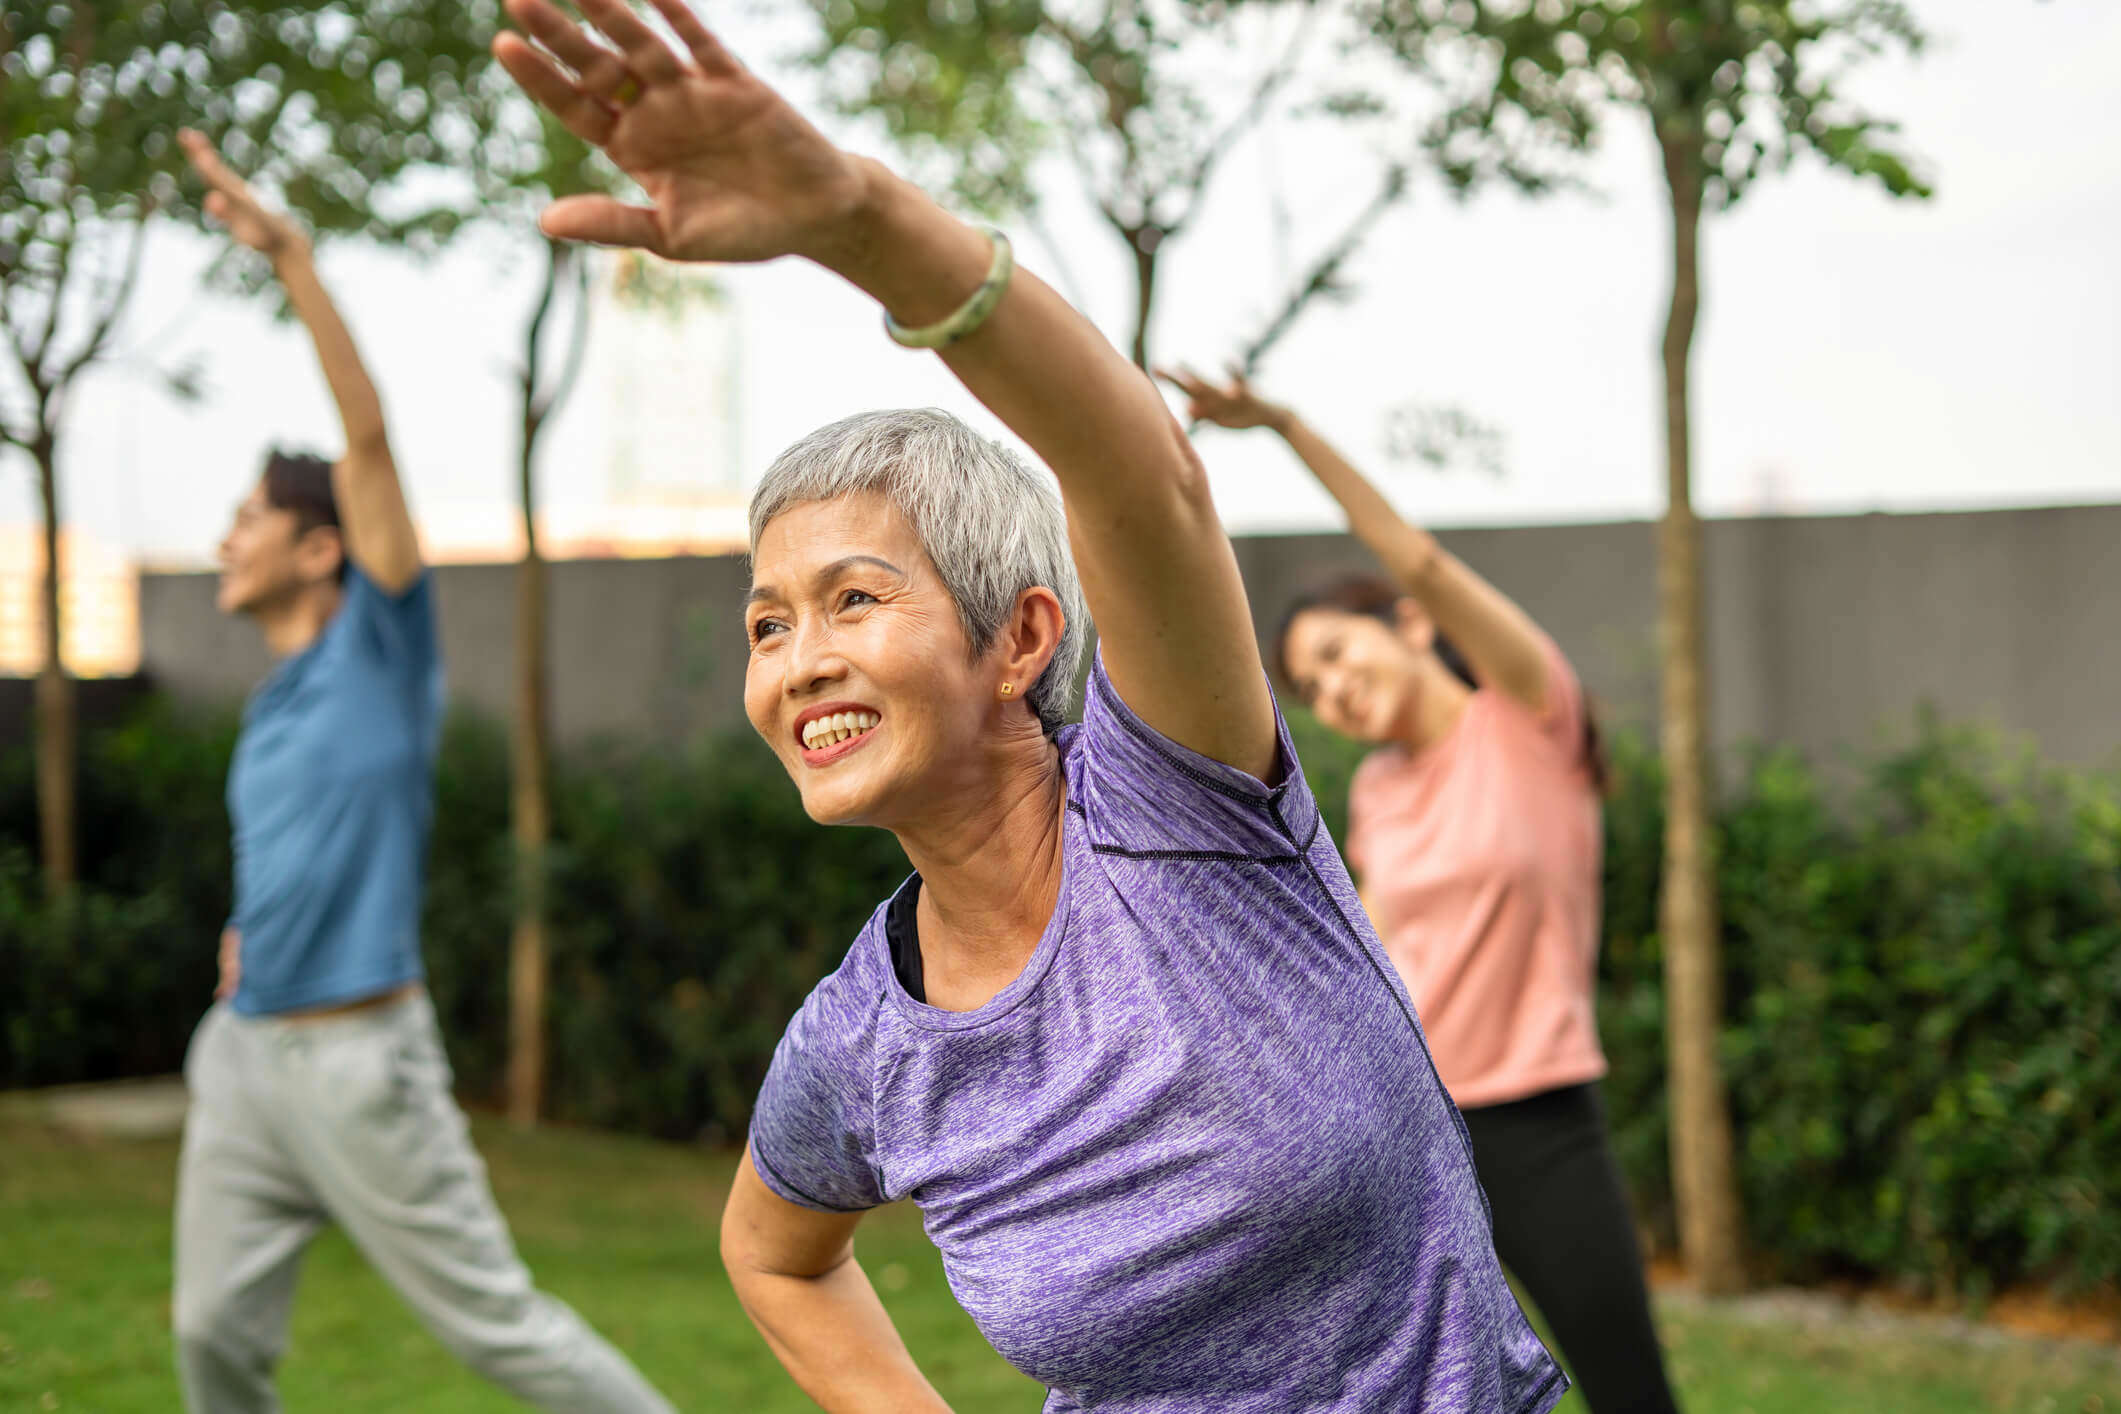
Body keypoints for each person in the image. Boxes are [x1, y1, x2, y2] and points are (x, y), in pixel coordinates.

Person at [494, 3, 1568, 1411]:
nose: (798, 657)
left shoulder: (1178, 806)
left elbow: (1141, 474)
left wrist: (856, 218)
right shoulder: (865, 1043)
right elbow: (775, 1258)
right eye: (767, 622)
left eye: (853, 600)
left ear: (1021, 638)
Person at [169, 130, 674, 1414]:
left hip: (358, 1069)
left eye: (246, 519)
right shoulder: (275, 702)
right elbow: (297, 849)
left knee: (502, 1331)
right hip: (244, 1056)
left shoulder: (381, 650)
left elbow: (371, 439)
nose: (224, 538)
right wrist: (248, 930)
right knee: (211, 1337)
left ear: (320, 546)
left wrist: (292, 259)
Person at [1160, 367, 1683, 1414]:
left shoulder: (1528, 718)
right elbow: (1376, 954)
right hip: (1398, 1124)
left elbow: (1422, 558)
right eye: (1312, 689)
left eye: (1338, 657)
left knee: (1631, 1392)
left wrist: (1286, 426)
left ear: (1403, 625)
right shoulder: (1381, 796)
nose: (1335, 693)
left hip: (1535, 1123)